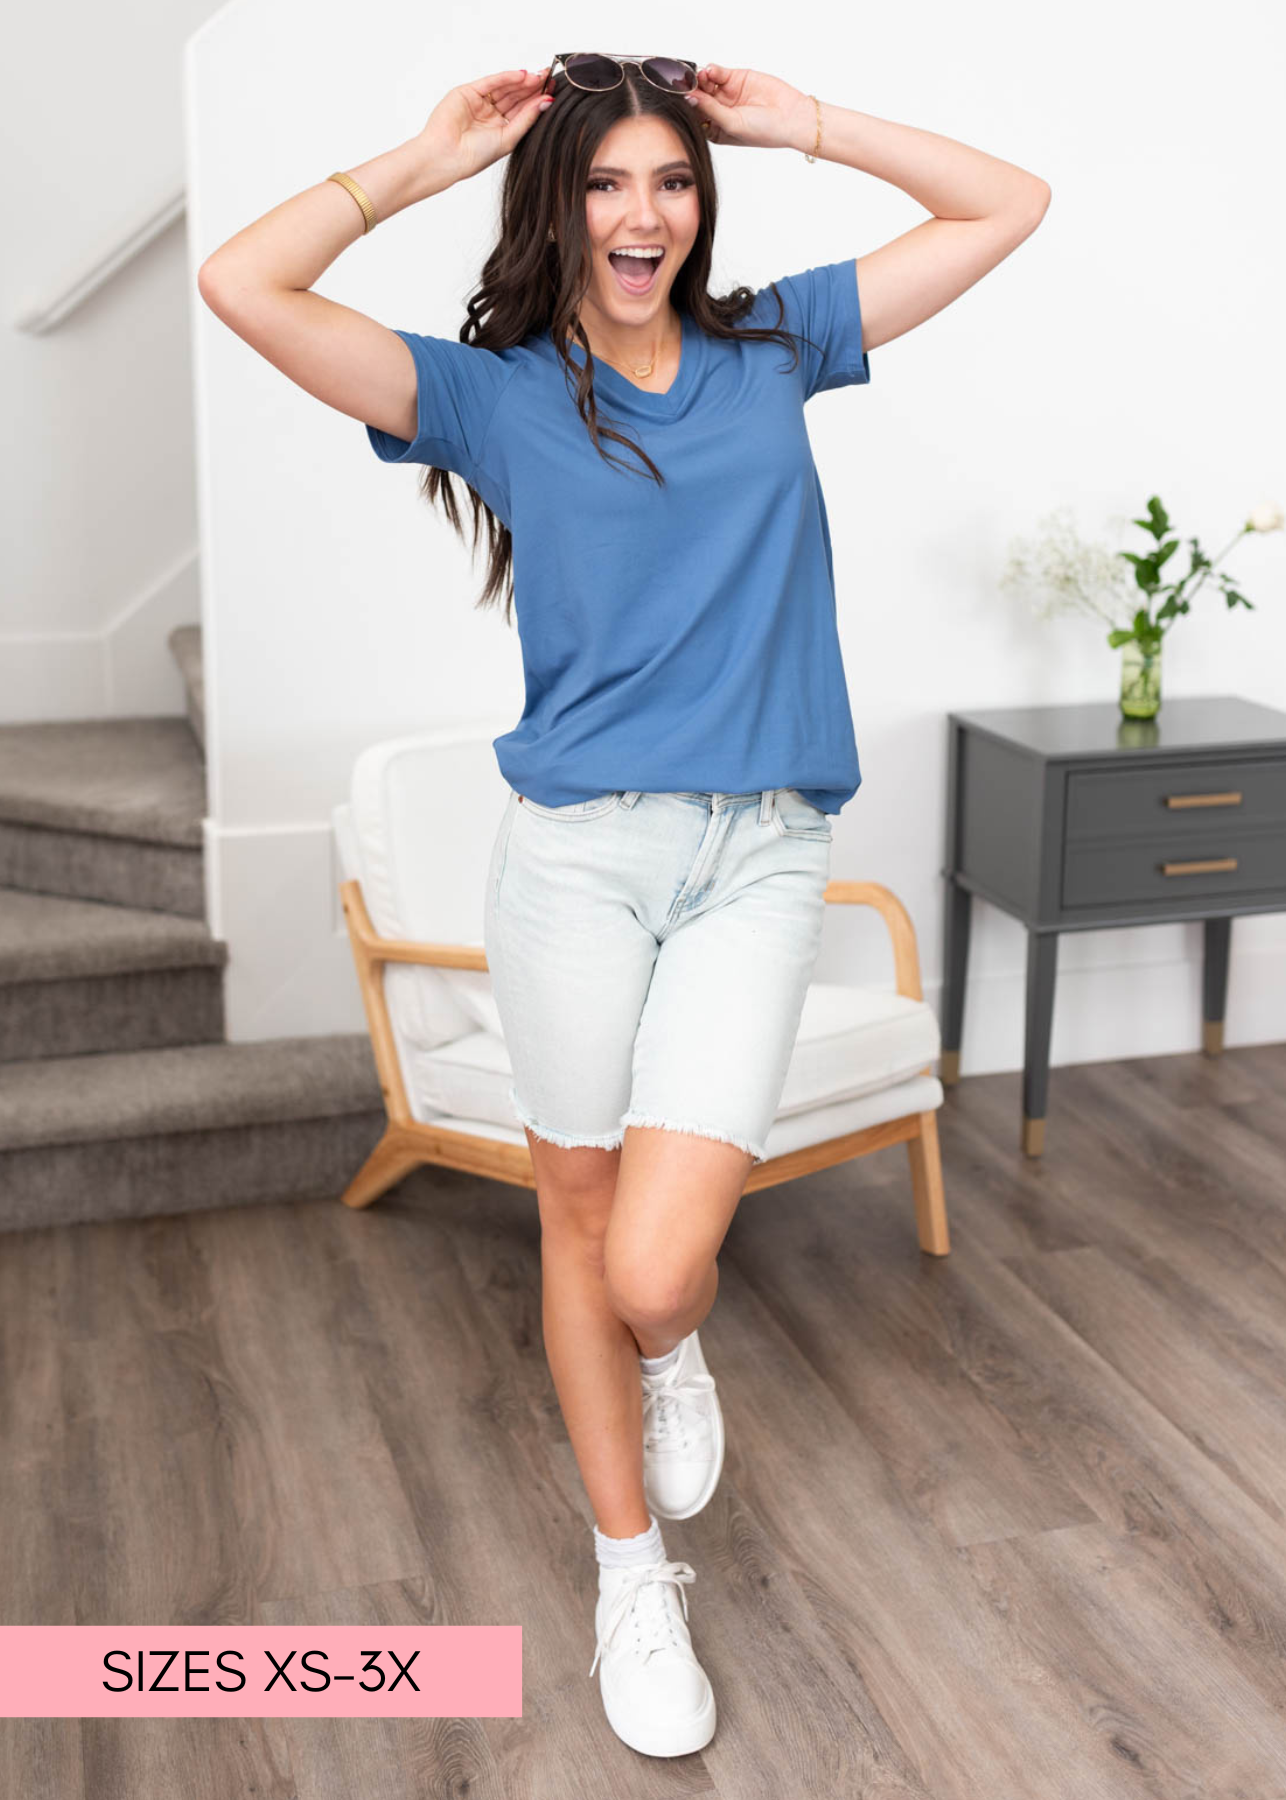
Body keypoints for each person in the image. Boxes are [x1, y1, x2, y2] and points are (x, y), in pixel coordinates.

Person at [198, 51, 1050, 1761]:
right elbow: (244, 284)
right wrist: (428, 157)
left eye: (669, 180)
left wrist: (801, 122)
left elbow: (1005, 204)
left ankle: (676, 1348)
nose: (642, 213)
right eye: (606, 184)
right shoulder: (489, 394)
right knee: (577, 1218)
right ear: (559, 206)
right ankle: (627, 1573)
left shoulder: (773, 347)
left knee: (659, 1262)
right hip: (575, 862)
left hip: (759, 856)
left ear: (700, 198)